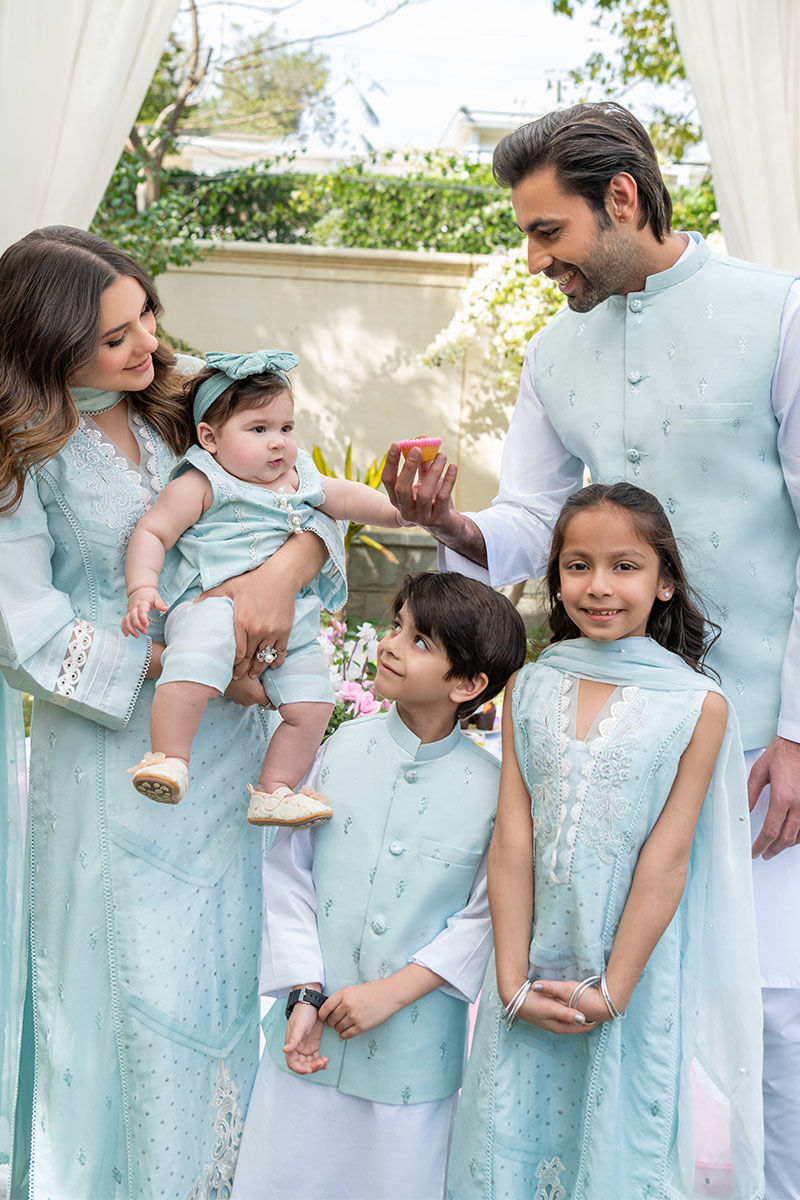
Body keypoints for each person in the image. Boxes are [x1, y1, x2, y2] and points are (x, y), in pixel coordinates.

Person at [383, 102, 800, 1199]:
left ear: (620, 198)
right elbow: (530, 521)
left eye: (546, 231)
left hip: (761, 743)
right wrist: (449, 524)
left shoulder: (780, 314)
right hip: (600, 751)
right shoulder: (553, 353)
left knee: (771, 1018)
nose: (533, 260)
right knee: (600, 1012)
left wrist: (799, 734)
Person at [0, 227, 345, 1200]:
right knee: (137, 992)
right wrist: (185, 661)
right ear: (48, 343)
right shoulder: (21, 453)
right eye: (115, 337)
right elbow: (24, 631)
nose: (147, 343)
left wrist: (279, 576)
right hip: (116, 762)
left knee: (232, 978)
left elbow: (304, 496)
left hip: (239, 755)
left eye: (145, 313)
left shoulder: (189, 398)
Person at [447, 483, 763, 1199]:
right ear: (556, 578)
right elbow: (513, 838)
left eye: (625, 566)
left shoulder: (698, 705)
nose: (598, 586)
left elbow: (668, 858)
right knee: (506, 1146)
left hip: (629, 977)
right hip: (527, 970)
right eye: (578, 565)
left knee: (615, 1149)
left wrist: (614, 990)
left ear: (665, 581)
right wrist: (511, 982)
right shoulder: (531, 685)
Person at [230, 572, 527, 1200]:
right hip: (306, 1041)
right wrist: (303, 991)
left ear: (468, 684)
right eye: (397, 626)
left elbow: (486, 918)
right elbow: (288, 872)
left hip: (412, 1063)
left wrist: (391, 994)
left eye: (419, 640)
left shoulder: (495, 791)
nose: (390, 644)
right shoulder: (337, 747)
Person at [122, 348, 402, 828]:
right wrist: (141, 587)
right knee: (193, 663)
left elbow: (346, 496)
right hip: (212, 606)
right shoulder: (202, 481)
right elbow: (154, 531)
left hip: (290, 622)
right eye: (258, 429)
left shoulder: (298, 477)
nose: (278, 443)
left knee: (313, 704)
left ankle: (274, 789)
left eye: (286, 428)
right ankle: (168, 757)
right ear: (210, 438)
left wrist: (399, 513)